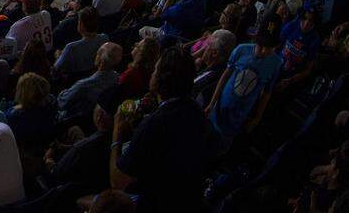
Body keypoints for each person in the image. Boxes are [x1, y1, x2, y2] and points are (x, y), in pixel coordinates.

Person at [111, 48, 213, 212]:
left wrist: (116, 130)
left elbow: (118, 182)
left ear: (162, 79)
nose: (152, 72)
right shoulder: (196, 110)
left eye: (156, 69)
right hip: (186, 198)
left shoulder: (155, 123)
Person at [206, 16, 284, 148]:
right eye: (261, 46)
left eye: (269, 48)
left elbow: (266, 93)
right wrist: (212, 102)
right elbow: (225, 76)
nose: (264, 51)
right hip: (221, 106)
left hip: (239, 115)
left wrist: (257, 118)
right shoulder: (241, 50)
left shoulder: (276, 63)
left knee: (222, 144)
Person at [56, 42, 122, 120]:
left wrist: (61, 93)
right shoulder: (117, 78)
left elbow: (61, 104)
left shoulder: (84, 85)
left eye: (98, 53)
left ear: (101, 61)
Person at [54, 6, 108, 79]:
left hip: (72, 79)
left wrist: (58, 55)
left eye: (79, 21)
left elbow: (56, 68)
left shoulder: (71, 47)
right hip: (91, 74)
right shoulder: (104, 38)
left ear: (81, 25)